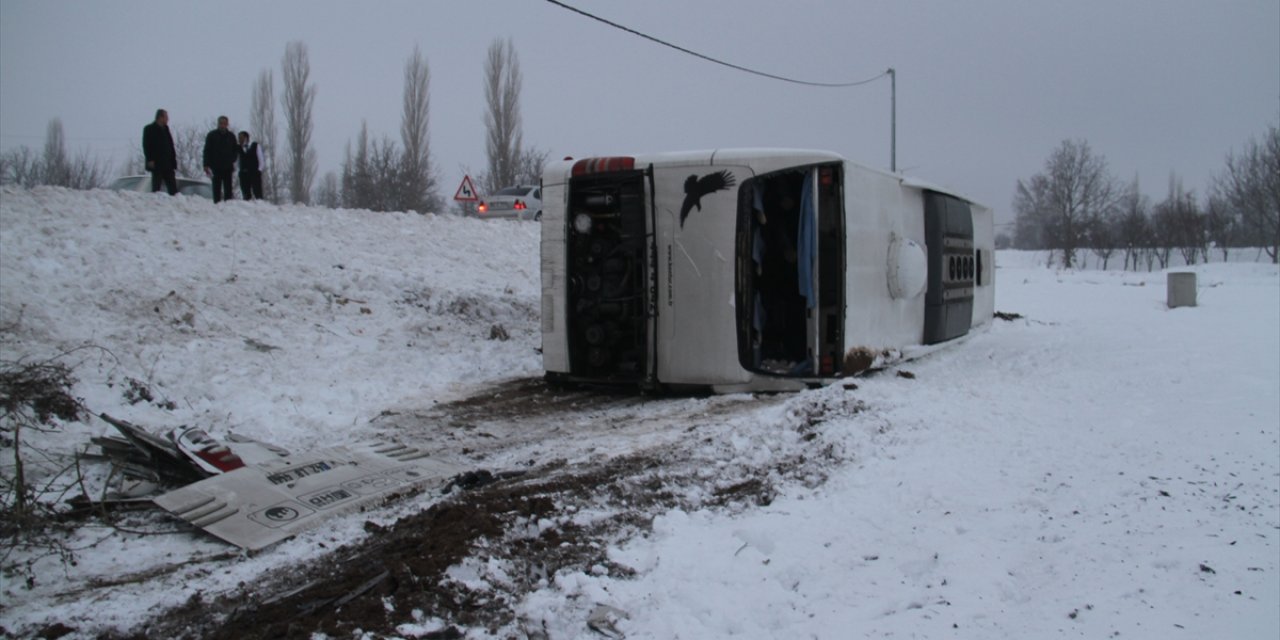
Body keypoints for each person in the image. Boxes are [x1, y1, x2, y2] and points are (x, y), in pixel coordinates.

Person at [142, 109, 178, 195]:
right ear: (160, 117)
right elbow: (146, 145)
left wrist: (173, 161)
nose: (168, 119)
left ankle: (175, 202)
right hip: (156, 163)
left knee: (173, 188)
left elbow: (170, 145)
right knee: (156, 186)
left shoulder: (166, 129)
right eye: (166, 117)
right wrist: (150, 159)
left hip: (168, 163)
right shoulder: (149, 129)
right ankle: (155, 203)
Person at [203, 116, 238, 203]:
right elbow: (207, 150)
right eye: (221, 123)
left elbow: (235, 150)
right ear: (218, 124)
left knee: (228, 189)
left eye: (224, 123)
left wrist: (232, 159)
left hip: (227, 167)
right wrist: (206, 164)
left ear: (227, 124)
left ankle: (228, 205)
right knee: (216, 188)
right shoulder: (211, 135)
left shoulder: (231, 136)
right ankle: (217, 205)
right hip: (216, 166)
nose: (222, 125)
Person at [236, 131, 265, 201]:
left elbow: (261, 159)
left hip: (254, 173)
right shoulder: (238, 148)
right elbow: (236, 161)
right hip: (243, 174)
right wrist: (239, 171)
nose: (239, 140)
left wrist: (259, 170)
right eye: (239, 138)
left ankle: (261, 206)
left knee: (258, 193)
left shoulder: (255, 145)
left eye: (241, 138)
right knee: (246, 194)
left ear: (246, 138)